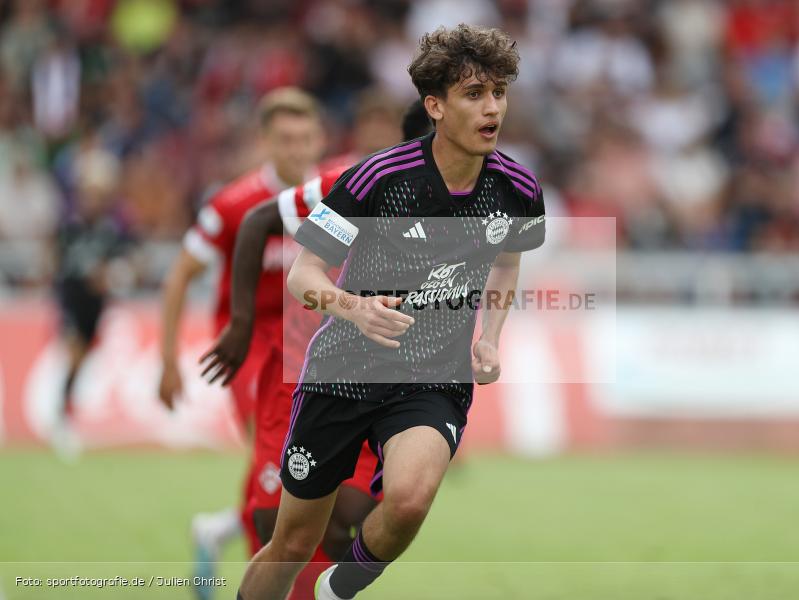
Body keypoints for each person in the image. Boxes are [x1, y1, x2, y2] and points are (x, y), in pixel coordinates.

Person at [235, 24, 546, 600]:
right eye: (474, 94)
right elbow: (304, 275)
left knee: (409, 500)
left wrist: (490, 334)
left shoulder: (520, 189)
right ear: (435, 105)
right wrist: (355, 309)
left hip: (432, 375)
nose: (492, 107)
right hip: (343, 370)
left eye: (499, 92)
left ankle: (339, 588)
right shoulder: (377, 178)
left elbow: (507, 262)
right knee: (292, 544)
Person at [199, 100, 432, 599]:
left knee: (355, 517)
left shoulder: (466, 196)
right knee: (279, 524)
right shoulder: (349, 181)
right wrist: (240, 323)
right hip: (305, 371)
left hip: (384, 381)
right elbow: (261, 219)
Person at [156, 87, 325, 598]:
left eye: (304, 138)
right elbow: (180, 274)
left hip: (309, 346)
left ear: (318, 138)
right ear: (265, 141)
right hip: (249, 347)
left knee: (316, 464)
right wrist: (168, 361)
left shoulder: (333, 197)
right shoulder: (233, 205)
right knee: (280, 455)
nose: (296, 149)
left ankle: (218, 530)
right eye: (285, 139)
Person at [53, 143, 129, 458]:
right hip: (72, 298)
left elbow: (126, 264)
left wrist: (110, 275)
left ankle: (67, 412)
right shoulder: (70, 228)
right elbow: (59, 261)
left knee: (83, 359)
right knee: (73, 353)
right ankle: (61, 416)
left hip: (95, 305)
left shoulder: (111, 230)